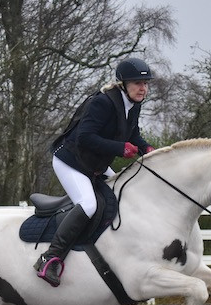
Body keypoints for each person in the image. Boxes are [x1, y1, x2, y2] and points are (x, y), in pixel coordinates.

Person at [34, 57, 156, 287]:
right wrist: (120, 148)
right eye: (137, 83)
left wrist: (146, 148)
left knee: (123, 194)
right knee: (89, 205)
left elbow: (133, 136)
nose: (143, 88)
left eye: (146, 83)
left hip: (95, 164)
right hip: (70, 161)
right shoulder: (103, 103)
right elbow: (85, 137)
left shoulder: (133, 105)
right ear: (123, 84)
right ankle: (49, 258)